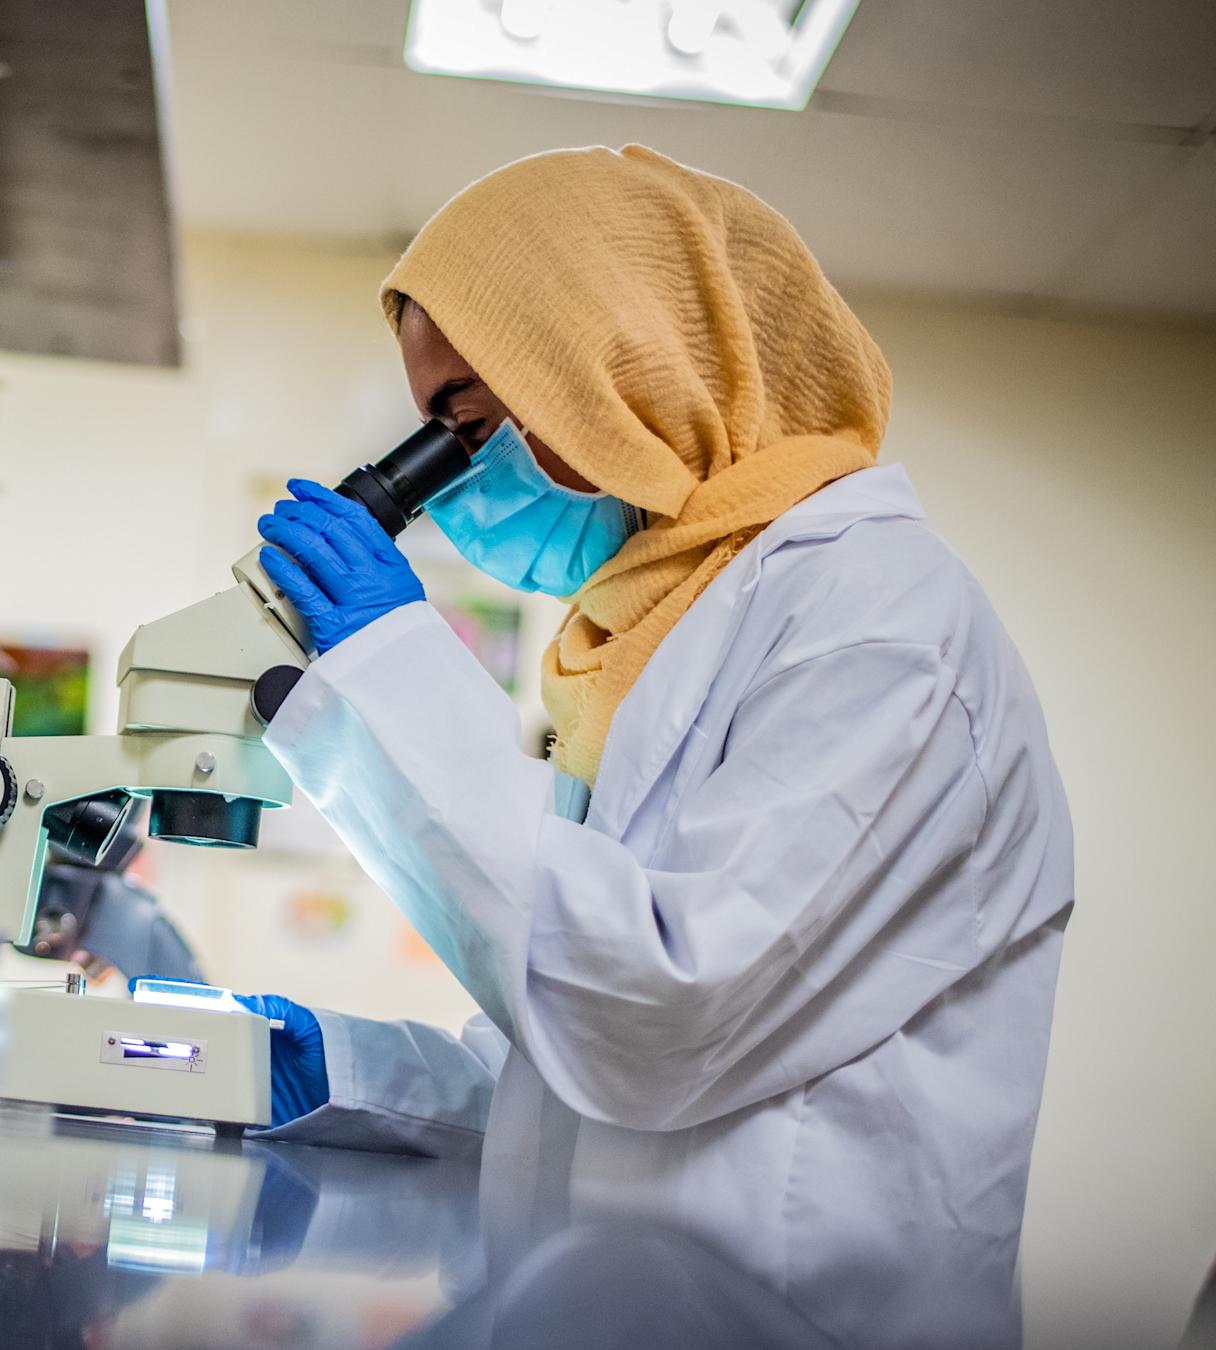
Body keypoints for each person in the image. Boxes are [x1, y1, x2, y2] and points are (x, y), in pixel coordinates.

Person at [238, 146, 1073, 1350]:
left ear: (623, 375)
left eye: (465, 424)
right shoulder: (663, 637)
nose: (449, 481)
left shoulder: (881, 614)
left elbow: (658, 1005)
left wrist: (398, 670)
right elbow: (573, 1069)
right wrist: (359, 1073)